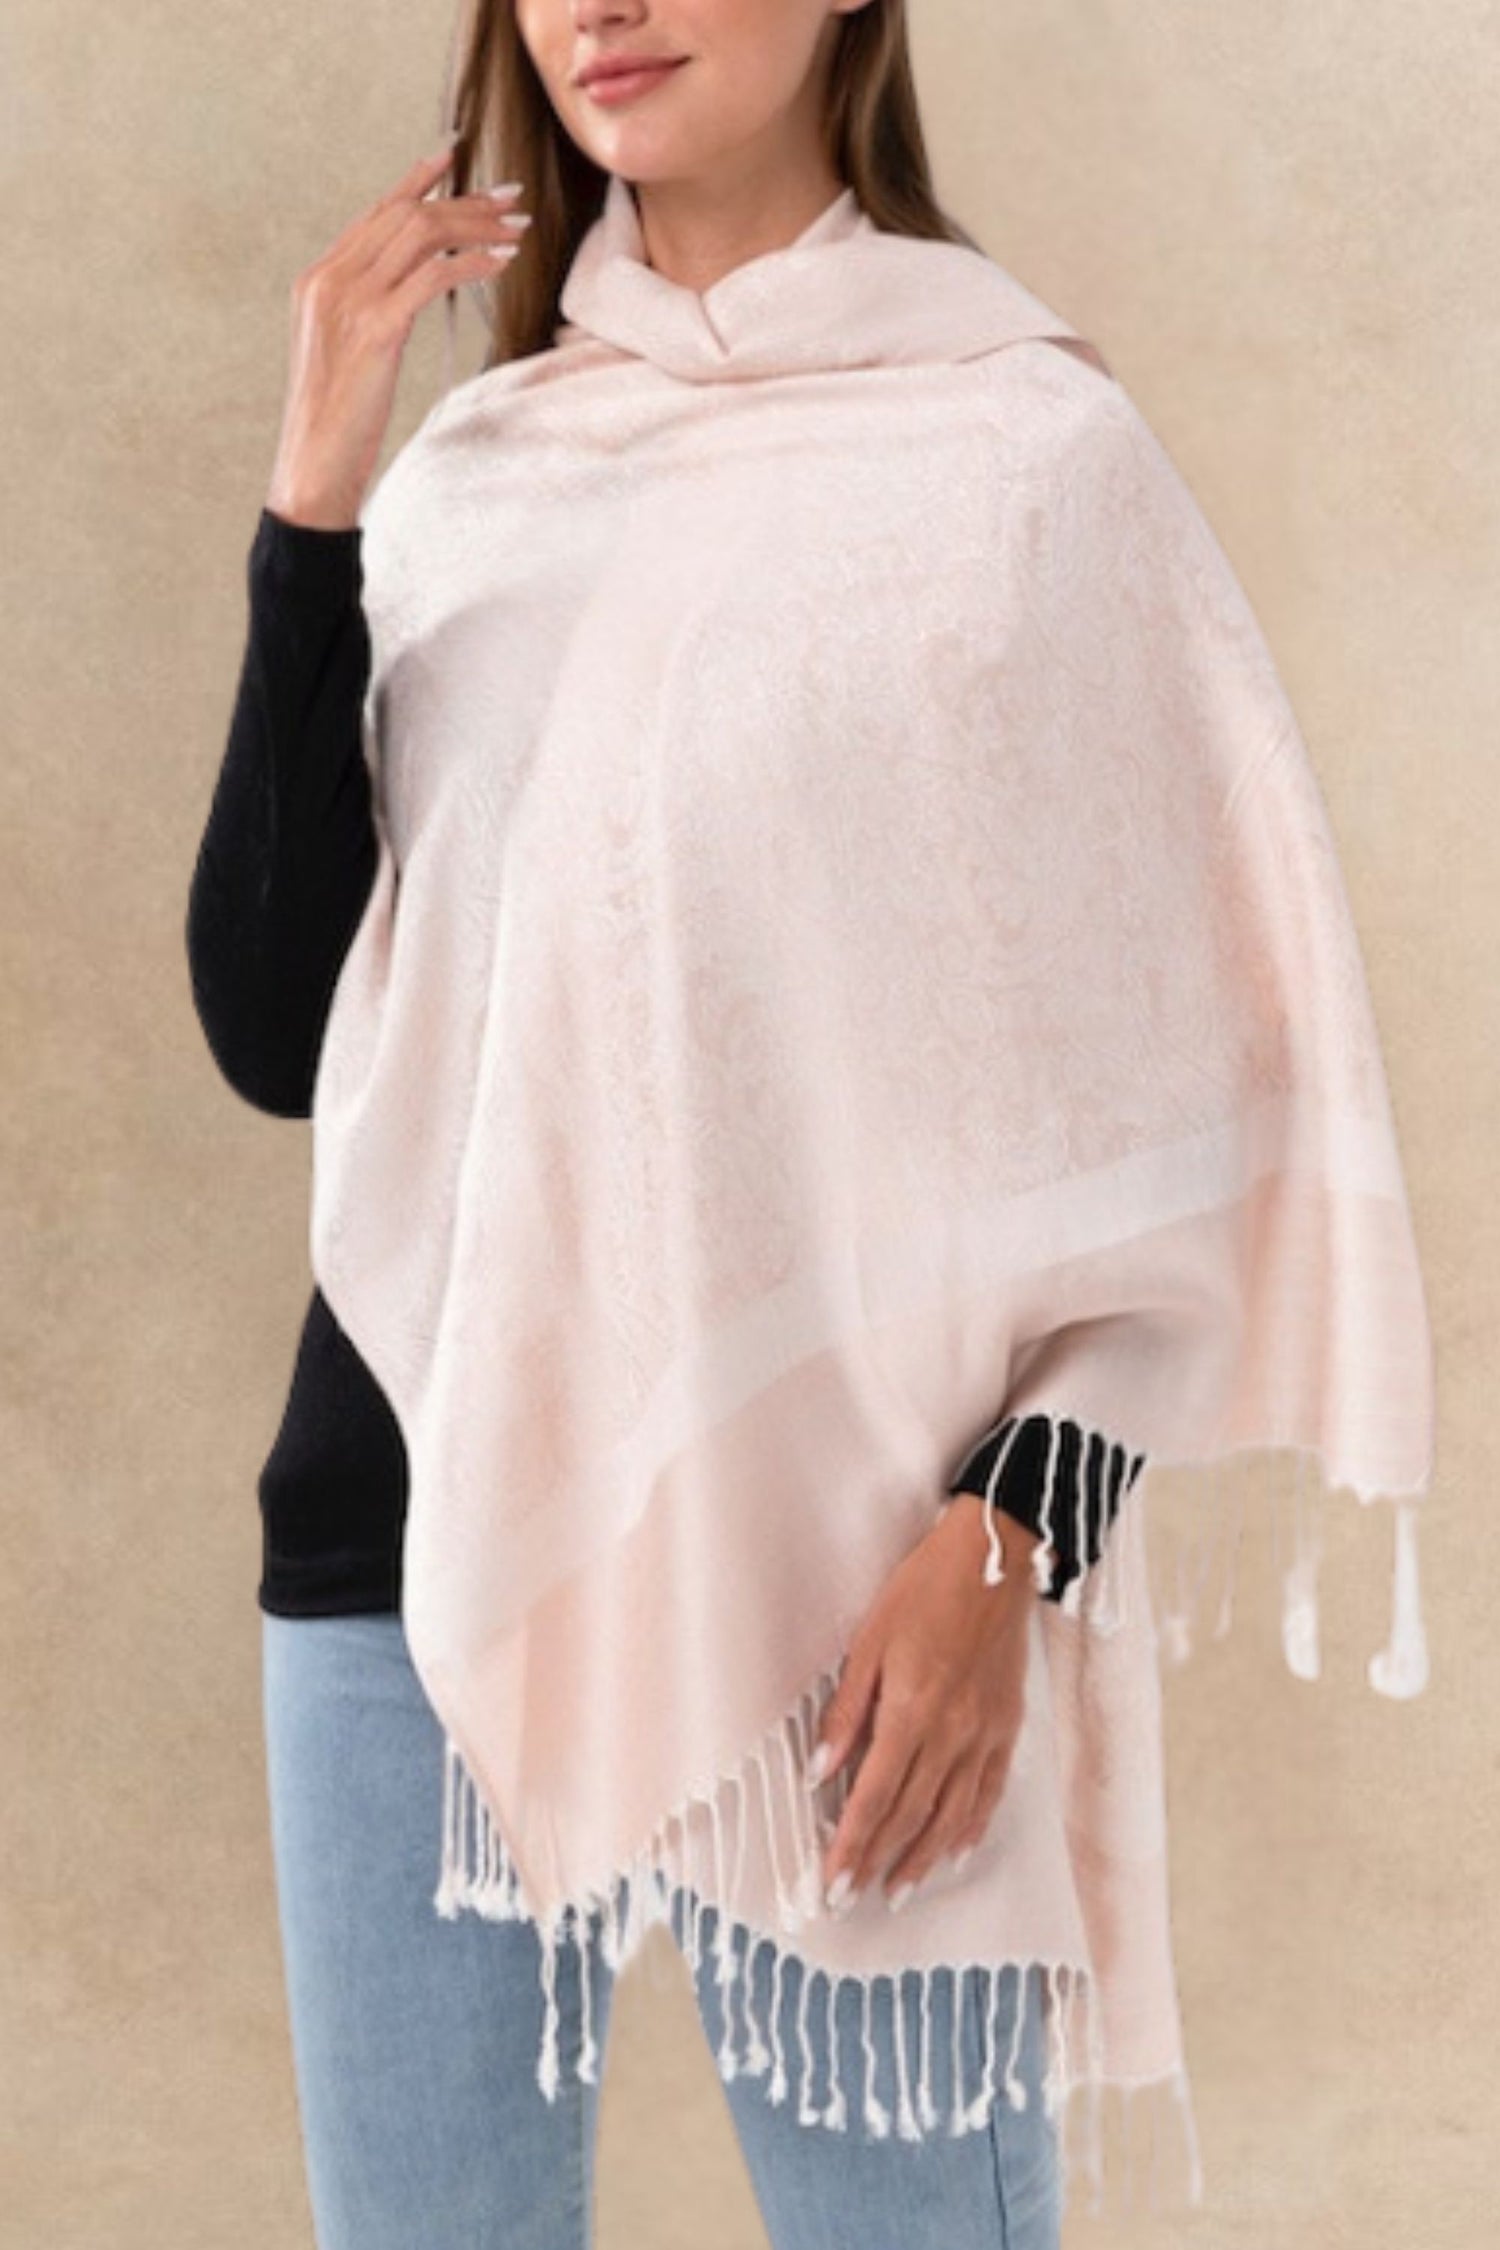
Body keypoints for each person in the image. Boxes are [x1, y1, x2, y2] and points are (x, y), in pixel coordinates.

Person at [187, 0, 1434, 2240]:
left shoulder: (1028, 464)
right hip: (406, 1554)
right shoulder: (477, 480)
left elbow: (1192, 1117)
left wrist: (1010, 1538)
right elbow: (278, 1034)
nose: (605, 7)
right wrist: (317, 488)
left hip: (866, 1599)